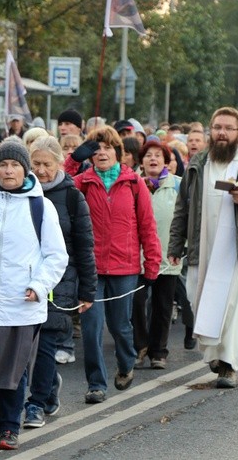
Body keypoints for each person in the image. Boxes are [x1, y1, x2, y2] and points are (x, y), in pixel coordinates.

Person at [0, 140, 67, 450]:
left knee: (12, 370)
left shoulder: (40, 206)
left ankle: (10, 427)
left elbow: (56, 255)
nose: (8, 170)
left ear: (25, 169)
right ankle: (3, 406)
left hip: (22, 305)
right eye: (3, 165)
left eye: (15, 165)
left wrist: (39, 285)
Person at [168, 107, 238, 389]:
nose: (221, 133)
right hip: (201, 246)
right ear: (210, 129)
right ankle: (213, 356)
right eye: (217, 127)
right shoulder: (198, 162)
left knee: (234, 308)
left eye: (228, 128)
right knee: (197, 299)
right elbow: (182, 207)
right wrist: (174, 244)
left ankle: (228, 365)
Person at [66, 126, 161, 404]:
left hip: (125, 267)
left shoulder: (134, 183)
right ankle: (96, 383)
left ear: (118, 153)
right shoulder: (81, 182)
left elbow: (147, 225)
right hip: (91, 268)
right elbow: (53, 181)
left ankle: (126, 361)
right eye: (96, 148)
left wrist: (152, 263)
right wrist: (73, 159)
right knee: (92, 328)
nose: (102, 152)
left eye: (107, 147)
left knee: (120, 326)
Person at [24, 136, 96, 428]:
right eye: (36, 164)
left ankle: (36, 404)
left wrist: (87, 289)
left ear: (58, 164)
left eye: (46, 164)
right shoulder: (20, 193)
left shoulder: (71, 196)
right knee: (25, 347)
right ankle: (49, 386)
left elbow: (84, 245)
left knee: (45, 344)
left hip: (61, 282)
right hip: (24, 279)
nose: (40, 170)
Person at [132, 141, 182, 370]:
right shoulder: (132, 184)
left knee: (163, 306)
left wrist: (182, 247)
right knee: (136, 303)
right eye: (148, 155)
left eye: (158, 156)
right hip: (137, 257)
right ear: (141, 161)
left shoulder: (179, 185)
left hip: (168, 255)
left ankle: (158, 352)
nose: (153, 159)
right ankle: (140, 345)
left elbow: (187, 217)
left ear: (166, 161)